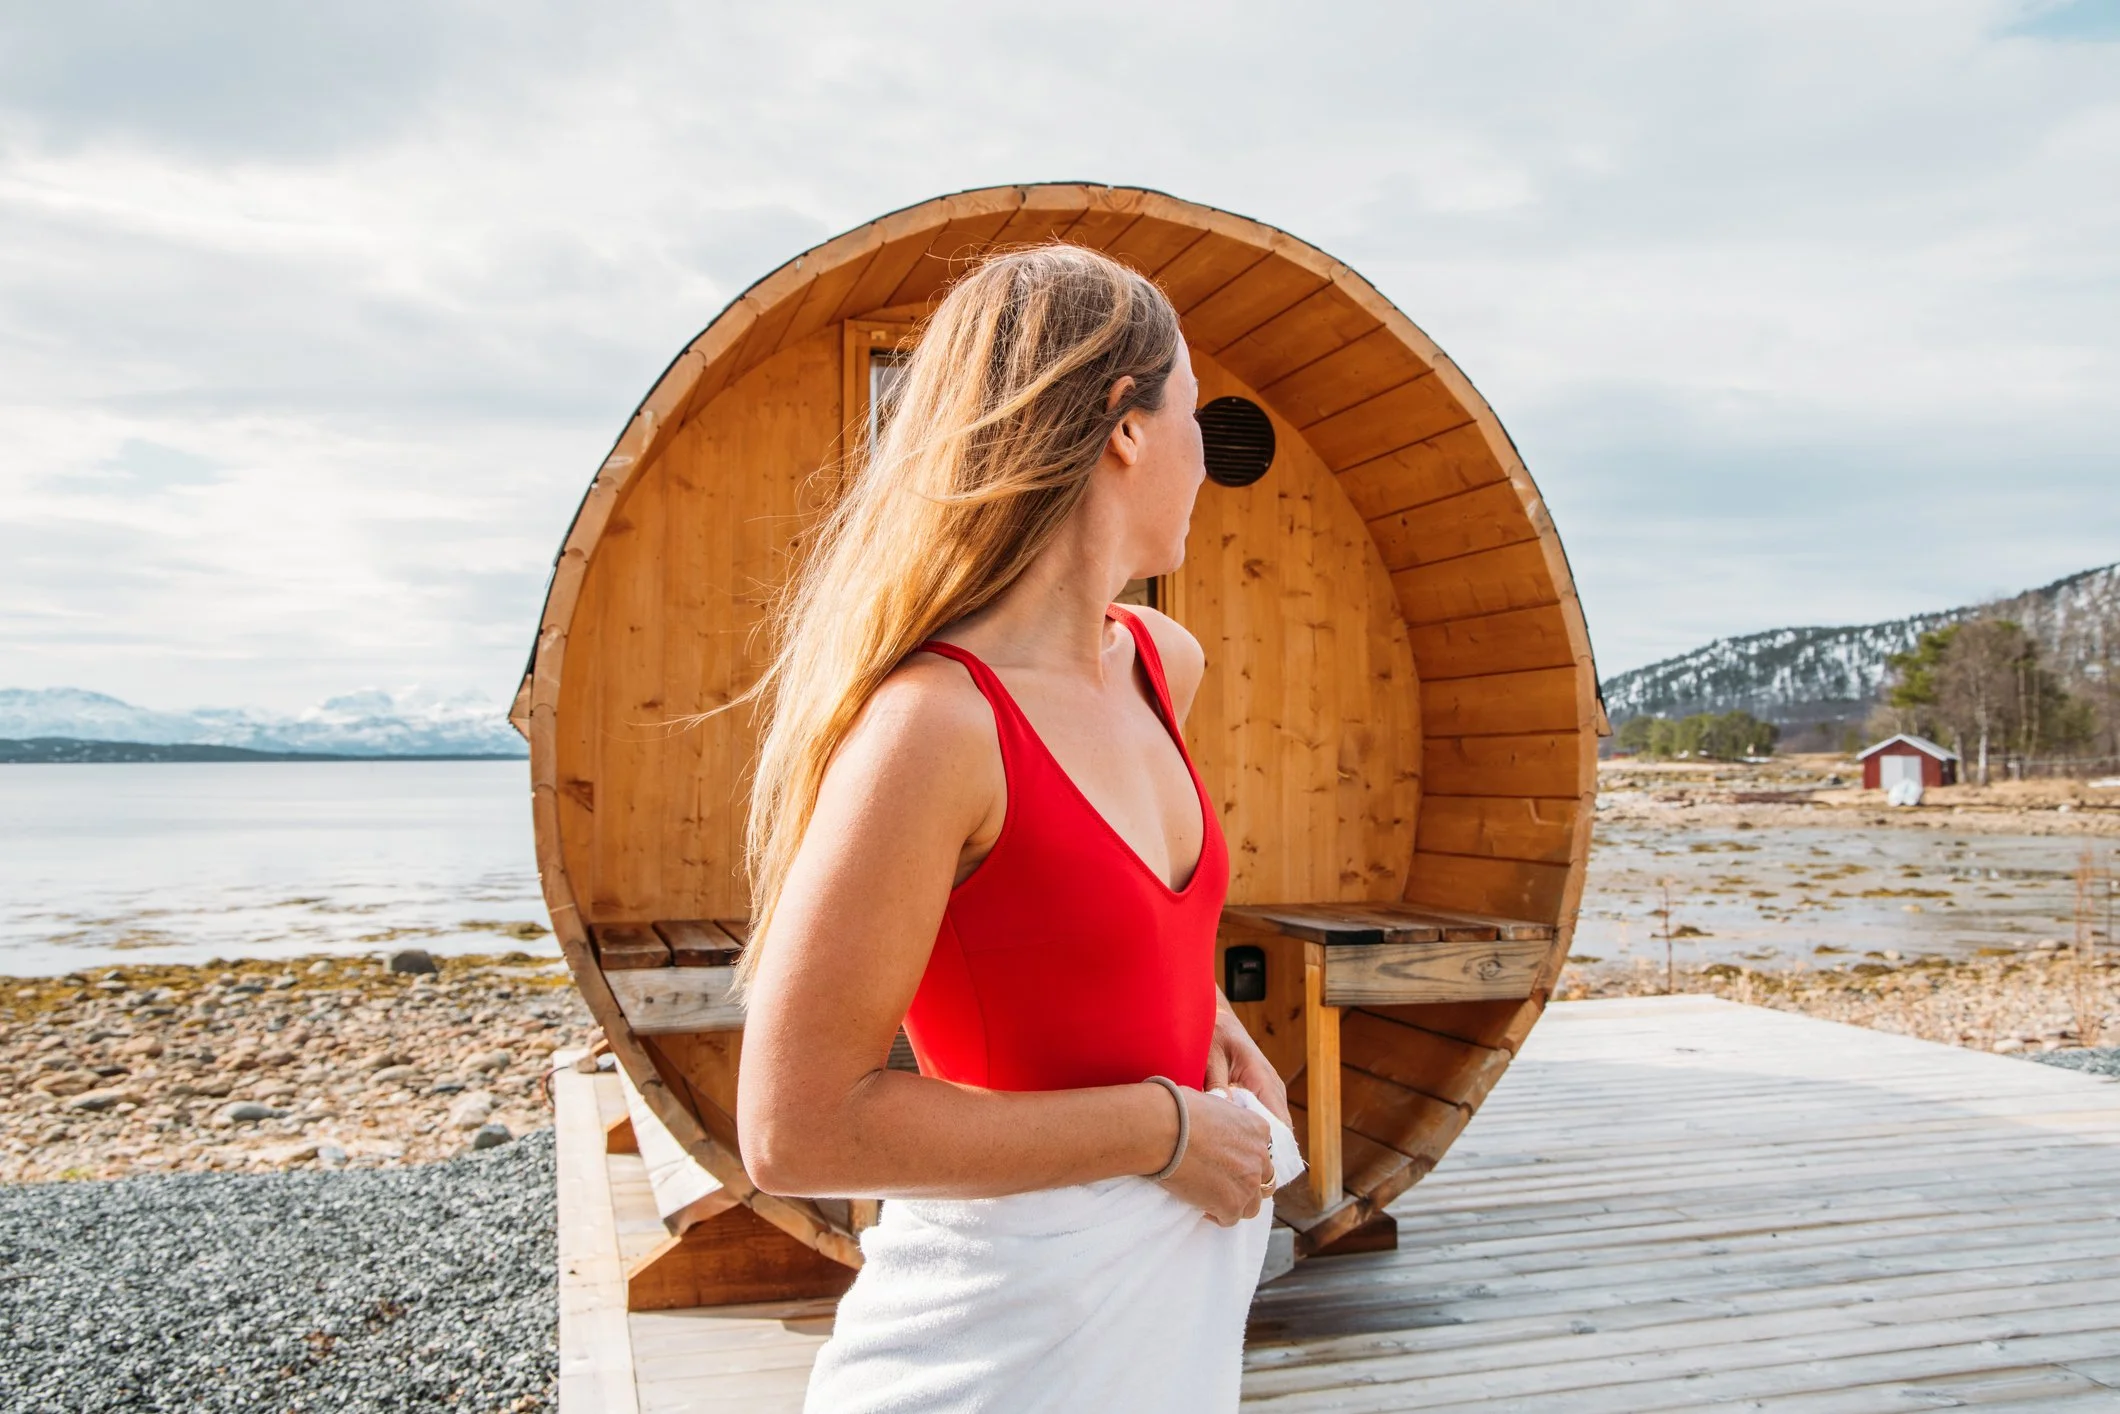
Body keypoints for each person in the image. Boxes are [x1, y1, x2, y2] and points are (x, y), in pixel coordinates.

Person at [734, 243, 1297, 1413]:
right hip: (992, 1341)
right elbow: (795, 1128)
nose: (1208, 456)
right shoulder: (932, 728)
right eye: (1192, 410)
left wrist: (1216, 1029)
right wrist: (1162, 1129)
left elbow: (1104, 929)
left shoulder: (1159, 663)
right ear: (1125, 426)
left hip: (1162, 1326)